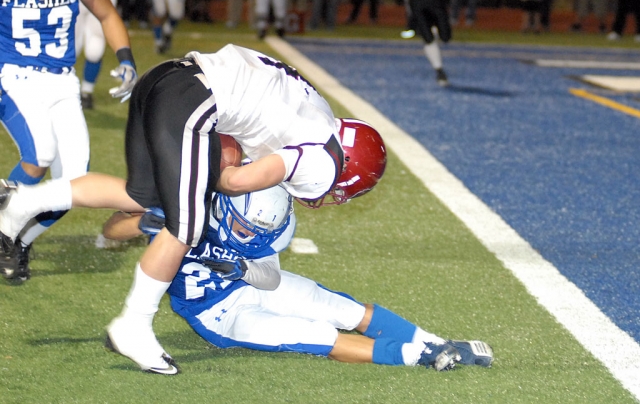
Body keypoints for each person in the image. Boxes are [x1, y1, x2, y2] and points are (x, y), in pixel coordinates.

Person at [0, 43, 387, 374]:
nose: (330, 192)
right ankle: (132, 327)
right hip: (193, 102)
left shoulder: (317, 111)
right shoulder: (325, 163)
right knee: (187, 225)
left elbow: (242, 119)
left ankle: (24, 201)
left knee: (141, 196)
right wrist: (208, 183)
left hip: (168, 76)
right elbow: (234, 182)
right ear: (346, 168)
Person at [99, 182, 494, 373]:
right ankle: (418, 356)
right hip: (216, 315)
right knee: (315, 336)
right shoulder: (192, 209)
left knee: (338, 307)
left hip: (249, 283)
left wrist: (242, 268)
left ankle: (435, 341)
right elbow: (111, 229)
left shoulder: (263, 226)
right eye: (244, 229)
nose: (250, 236)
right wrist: (147, 221)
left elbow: (268, 278)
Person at [0, 0, 138, 282]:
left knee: (74, 184)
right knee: (39, 153)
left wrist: (125, 57)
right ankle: (6, 226)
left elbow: (107, 13)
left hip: (62, 81)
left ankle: (17, 237)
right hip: (13, 76)